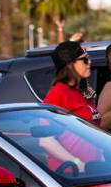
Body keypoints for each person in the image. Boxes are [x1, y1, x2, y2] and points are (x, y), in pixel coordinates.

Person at [41, 41, 102, 172]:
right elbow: (45, 141)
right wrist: (77, 163)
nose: (89, 62)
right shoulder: (58, 93)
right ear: (70, 64)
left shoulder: (81, 91)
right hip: (71, 174)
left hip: (92, 170)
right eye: (84, 60)